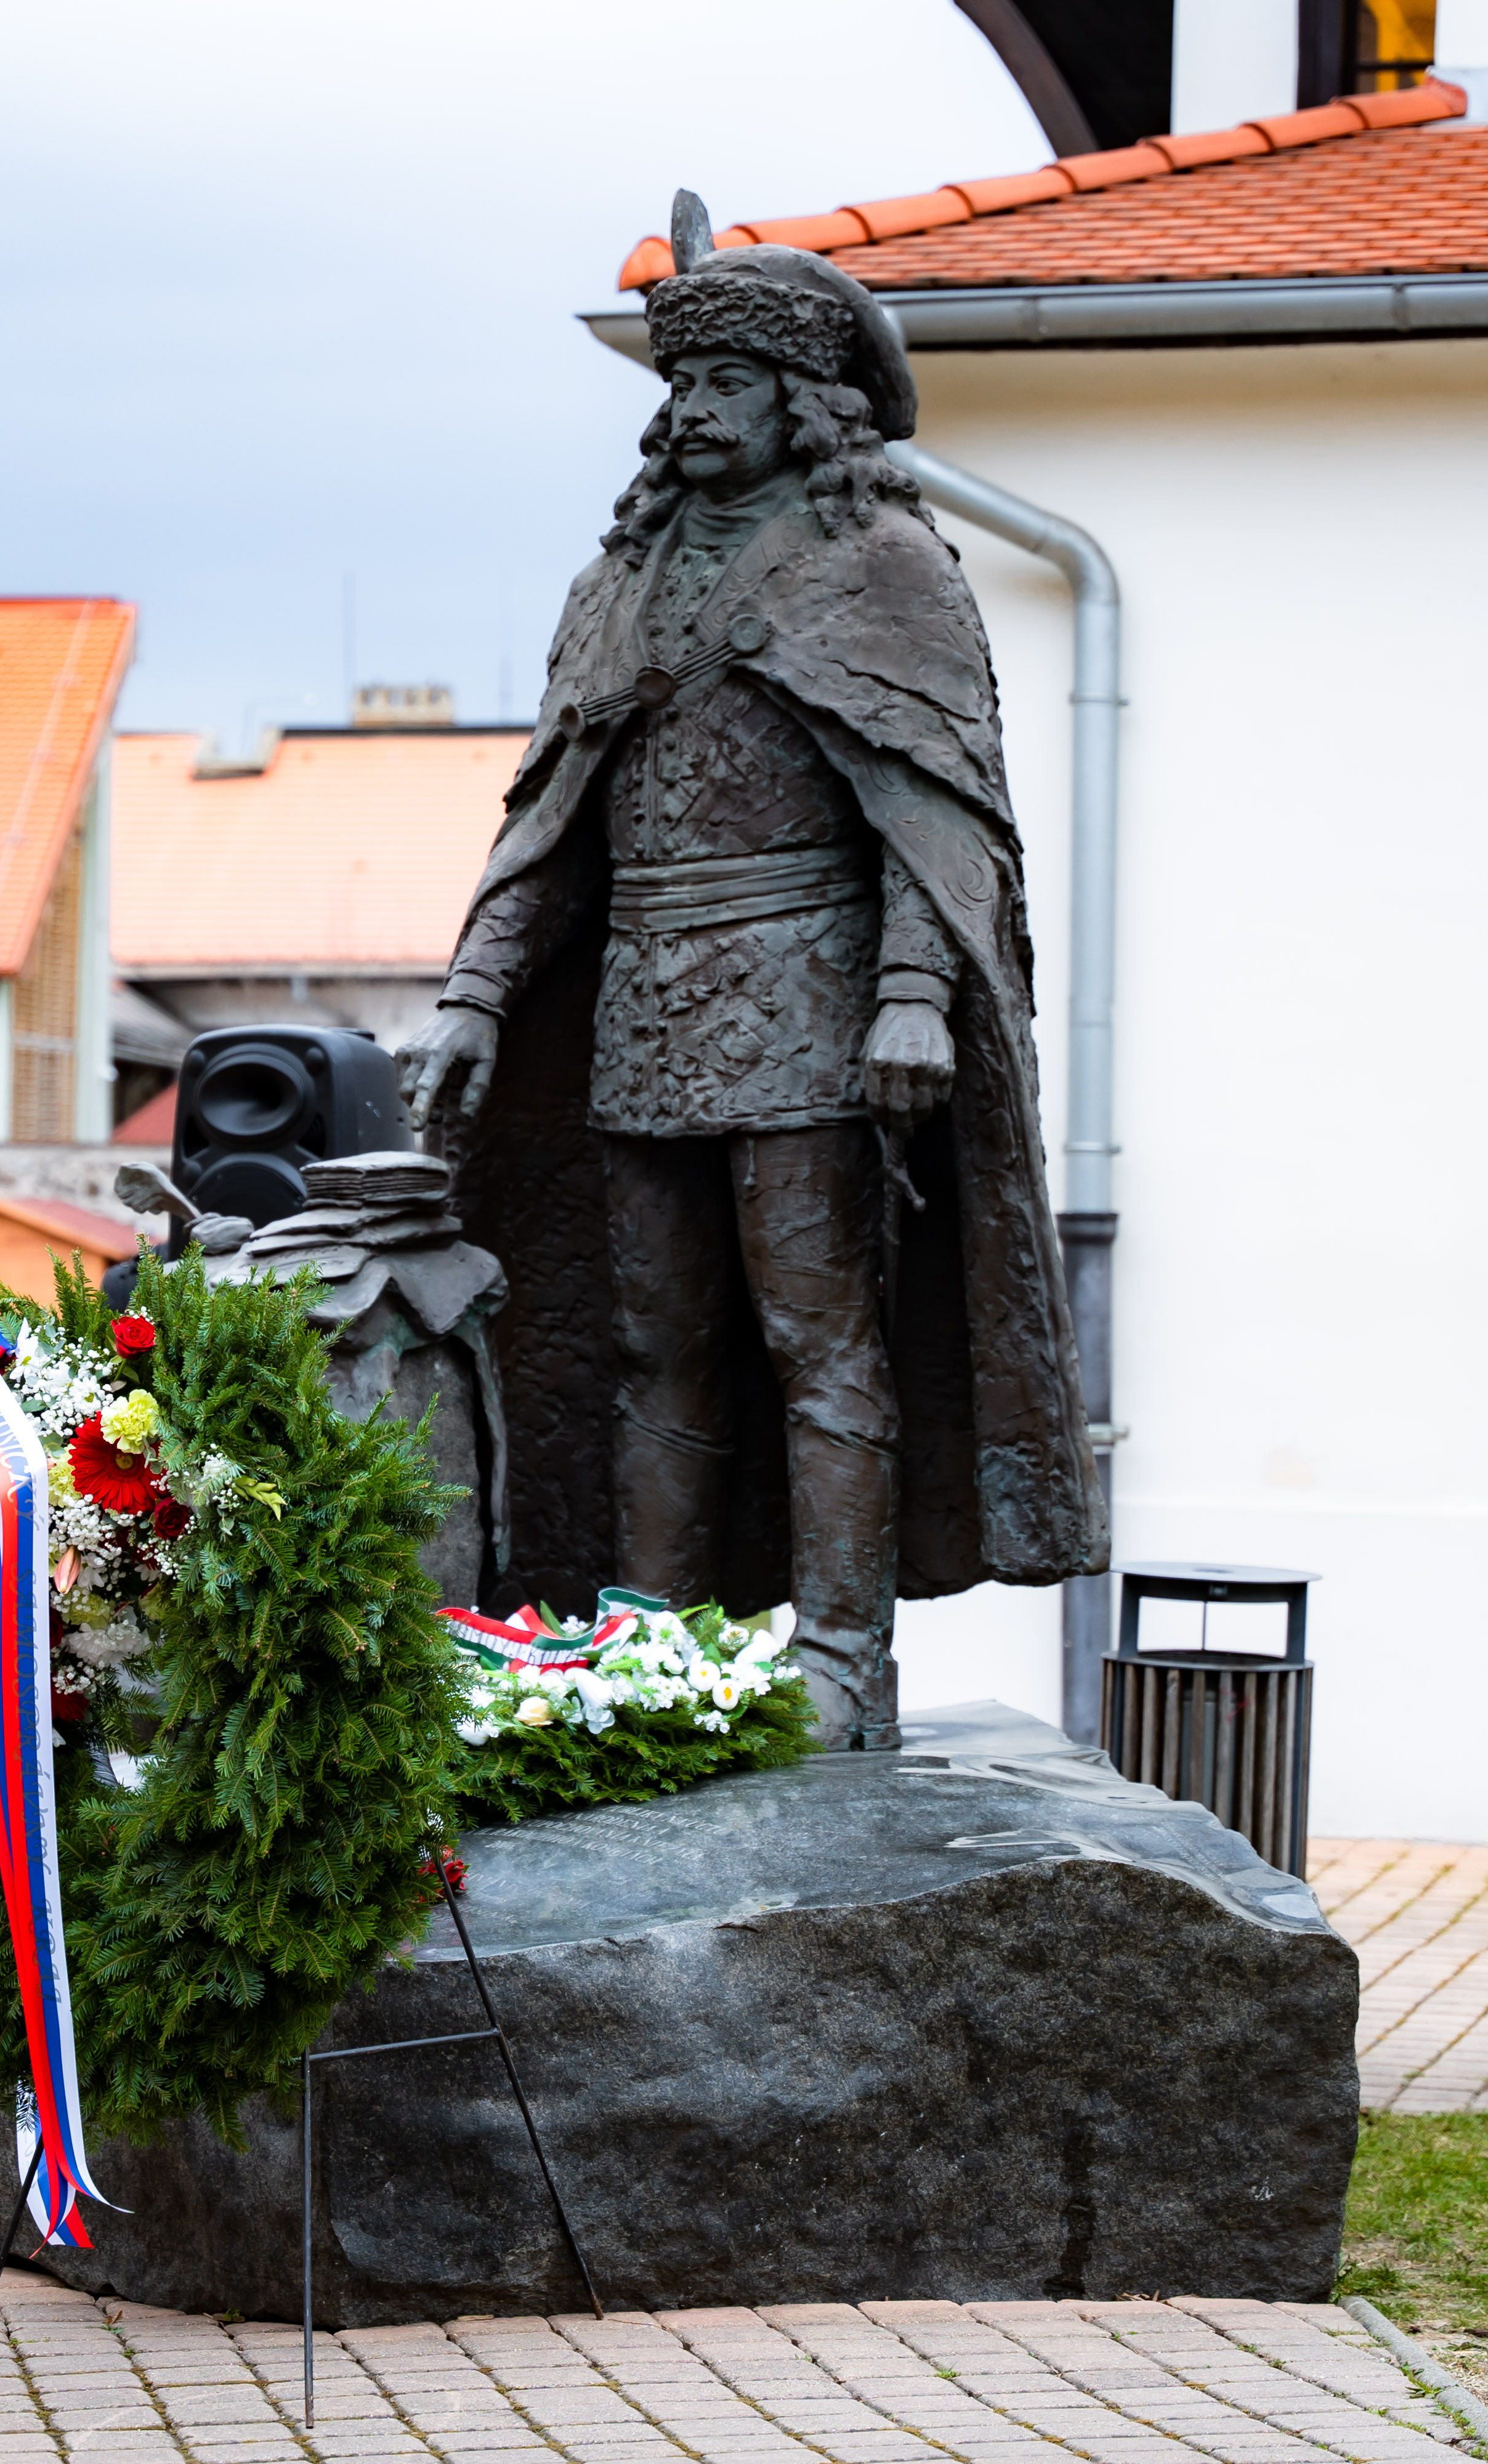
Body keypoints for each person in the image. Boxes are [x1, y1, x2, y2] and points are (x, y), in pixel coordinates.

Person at [395, 197, 1100, 1751]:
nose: (690, 410)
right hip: (645, 1003)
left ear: (802, 401)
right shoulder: (615, 591)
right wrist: (480, 992)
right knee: (657, 1337)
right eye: (677, 387)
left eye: (722, 384)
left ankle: (843, 1651)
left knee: (818, 1332)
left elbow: (939, 818)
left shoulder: (885, 565)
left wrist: (914, 989)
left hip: (812, 1003)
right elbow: (552, 826)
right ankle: (653, 1637)